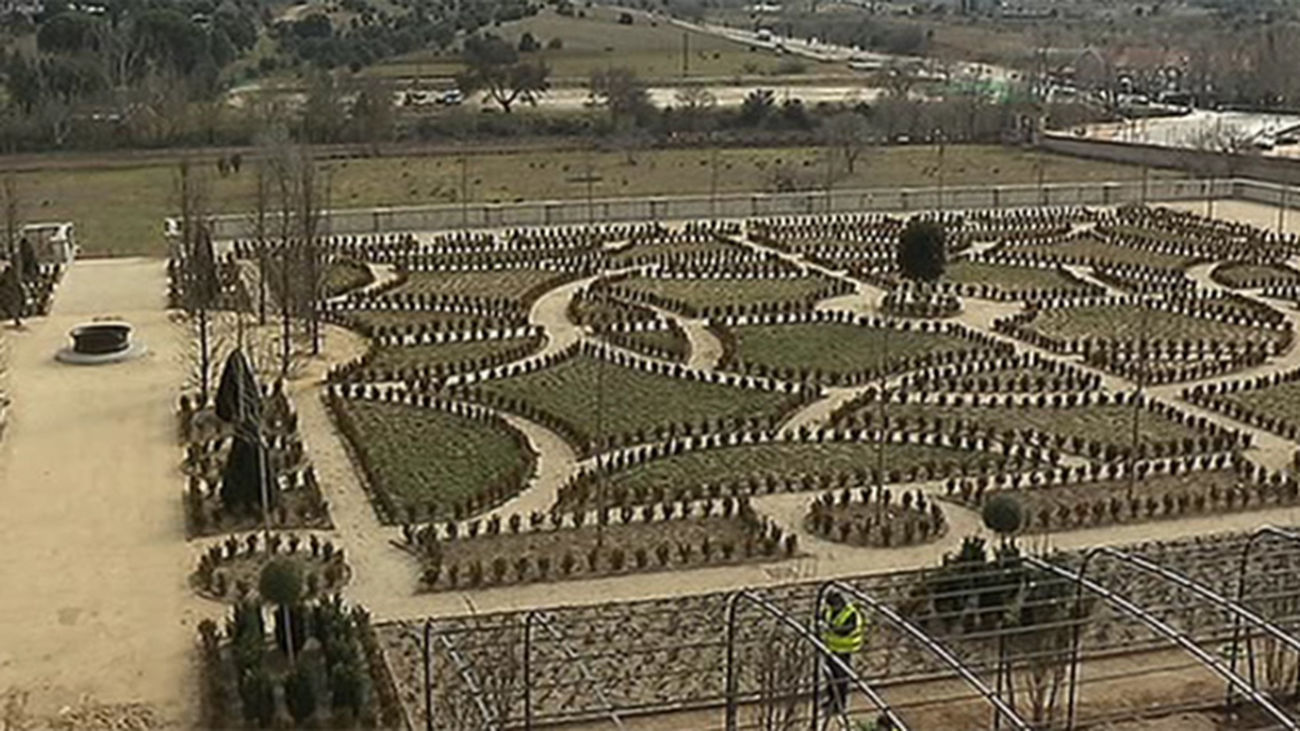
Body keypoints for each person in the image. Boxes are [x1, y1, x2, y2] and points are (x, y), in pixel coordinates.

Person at [820, 589, 866, 717]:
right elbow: (822, 617)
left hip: (844, 650)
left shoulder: (850, 614)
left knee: (840, 678)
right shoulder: (829, 611)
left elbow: (845, 630)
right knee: (830, 676)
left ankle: (840, 704)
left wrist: (830, 628)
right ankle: (831, 699)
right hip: (831, 649)